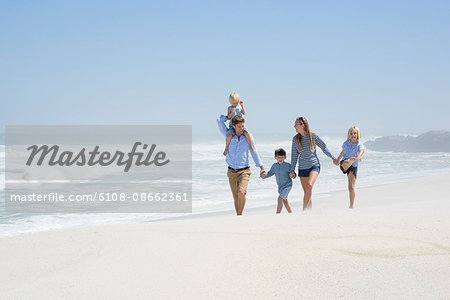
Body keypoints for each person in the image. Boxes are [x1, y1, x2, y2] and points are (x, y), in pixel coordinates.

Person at [217, 115, 265, 215]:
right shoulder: (228, 136)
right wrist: (227, 116)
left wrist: (261, 167)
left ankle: (240, 216)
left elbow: (253, 151)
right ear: (233, 126)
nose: (241, 129)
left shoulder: (248, 137)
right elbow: (219, 121)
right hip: (231, 172)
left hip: (245, 171)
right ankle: (239, 215)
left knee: (241, 193)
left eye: (243, 126)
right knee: (236, 197)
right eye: (239, 126)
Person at [289, 117, 336, 211]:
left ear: (302, 125)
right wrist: (292, 170)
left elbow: (324, 147)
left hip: (314, 166)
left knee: (309, 185)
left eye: (296, 124)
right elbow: (294, 156)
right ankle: (309, 213)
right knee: (307, 192)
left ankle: (303, 211)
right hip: (302, 168)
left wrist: (333, 158)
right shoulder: (295, 139)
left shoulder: (313, 136)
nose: (294, 126)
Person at [333, 126, 365, 208]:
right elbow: (342, 152)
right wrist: (337, 160)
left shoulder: (359, 144)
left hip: (354, 166)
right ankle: (350, 161)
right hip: (344, 163)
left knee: (351, 187)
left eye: (355, 133)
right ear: (349, 135)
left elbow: (361, 151)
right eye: (351, 133)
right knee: (346, 162)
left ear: (358, 134)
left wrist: (358, 157)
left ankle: (351, 206)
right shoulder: (346, 143)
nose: (353, 135)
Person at [261, 148, 294, 214]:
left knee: (280, 199)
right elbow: (270, 173)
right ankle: (291, 213)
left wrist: (293, 175)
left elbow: (293, 174)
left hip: (287, 186)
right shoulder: (274, 166)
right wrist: (264, 176)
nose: (280, 159)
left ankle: (277, 214)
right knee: (285, 201)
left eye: (282, 157)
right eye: (278, 157)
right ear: (275, 157)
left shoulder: (288, 165)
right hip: (280, 186)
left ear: (285, 157)